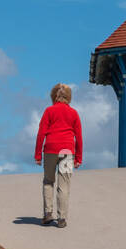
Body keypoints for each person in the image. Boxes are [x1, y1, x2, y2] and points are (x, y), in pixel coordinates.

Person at [33, 83, 82, 227]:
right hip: (67, 151)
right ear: (69, 97)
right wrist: (79, 157)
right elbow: (79, 137)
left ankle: (48, 213)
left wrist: (38, 155)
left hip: (50, 149)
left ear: (53, 96)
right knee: (64, 185)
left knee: (48, 181)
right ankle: (62, 218)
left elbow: (41, 133)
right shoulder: (74, 113)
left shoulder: (49, 111)